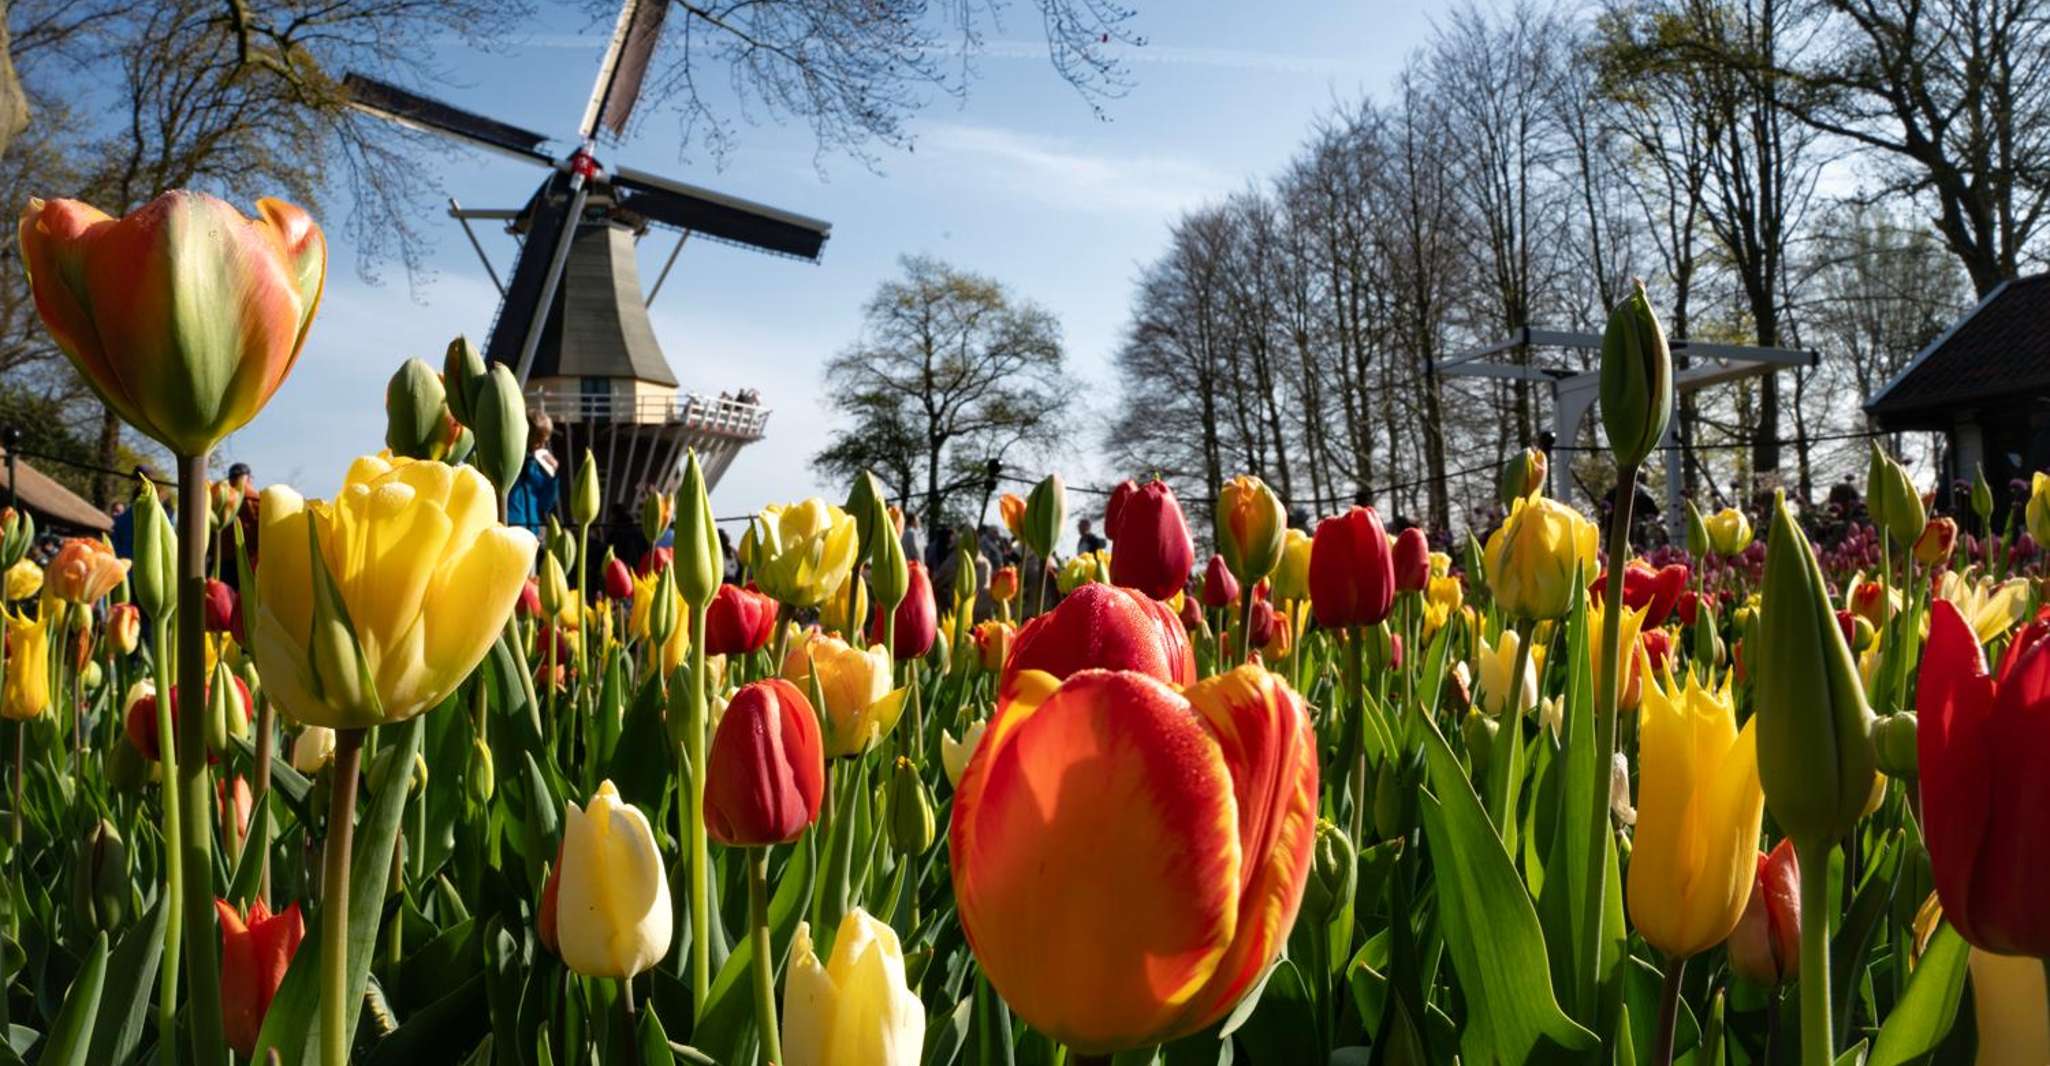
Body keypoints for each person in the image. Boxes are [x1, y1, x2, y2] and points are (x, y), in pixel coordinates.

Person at [507, 410, 560, 537]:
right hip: (512, 526)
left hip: (532, 529)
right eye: (538, 440)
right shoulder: (510, 459)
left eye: (544, 441)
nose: (541, 445)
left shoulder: (536, 465)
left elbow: (545, 504)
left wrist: (552, 477)